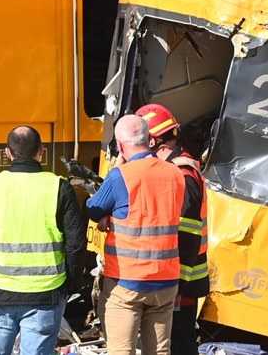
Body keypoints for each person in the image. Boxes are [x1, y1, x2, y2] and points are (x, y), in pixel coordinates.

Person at [0, 126, 87, 355]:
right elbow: (76, 244)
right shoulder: (58, 187)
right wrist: (72, 284)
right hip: (45, 292)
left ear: (8, 153)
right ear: (41, 152)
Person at [85, 113, 186, 355]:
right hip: (165, 280)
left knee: (122, 350)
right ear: (149, 140)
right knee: (160, 351)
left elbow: (93, 208)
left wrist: (109, 212)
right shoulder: (175, 174)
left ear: (120, 146)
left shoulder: (121, 176)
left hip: (127, 282)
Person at [140, 104, 209, 355]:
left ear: (153, 140)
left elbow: (188, 232)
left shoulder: (182, 173)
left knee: (180, 341)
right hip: (175, 276)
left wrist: (178, 284)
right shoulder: (173, 168)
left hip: (183, 279)